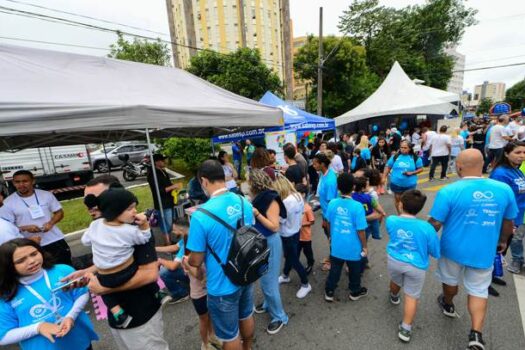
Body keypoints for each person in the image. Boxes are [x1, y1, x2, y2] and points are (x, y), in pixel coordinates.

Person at [428, 149, 517, 350]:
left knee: (450, 280)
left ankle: (448, 303)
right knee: (478, 290)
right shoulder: (503, 189)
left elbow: (435, 223)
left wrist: (424, 240)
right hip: (484, 249)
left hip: (452, 249)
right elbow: (508, 222)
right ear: (483, 164)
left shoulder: (449, 191)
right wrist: (503, 241)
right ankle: (476, 334)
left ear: (459, 167)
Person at [67, 175, 169, 350]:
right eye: (87, 202)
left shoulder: (134, 231)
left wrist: (104, 289)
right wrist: (87, 271)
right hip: (119, 318)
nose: (91, 208)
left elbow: (150, 274)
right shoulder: (100, 228)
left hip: (141, 316)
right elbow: (109, 261)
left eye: (95, 201)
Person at [187, 160, 255, 350]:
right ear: (223, 177)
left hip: (221, 284)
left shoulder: (201, 216)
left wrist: (188, 261)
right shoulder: (244, 202)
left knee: (229, 334)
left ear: (204, 181)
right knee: (246, 315)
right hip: (246, 273)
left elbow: (196, 259)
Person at [0, 238, 98, 349]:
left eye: (34, 254)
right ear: (7, 265)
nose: (31, 261)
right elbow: (3, 336)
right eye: (21, 261)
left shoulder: (63, 270)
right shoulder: (5, 293)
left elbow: (81, 293)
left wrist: (71, 316)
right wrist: (38, 327)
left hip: (79, 340)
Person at [81, 189, 157, 329]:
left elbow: (85, 241)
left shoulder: (94, 225)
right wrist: (145, 225)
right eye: (130, 208)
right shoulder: (129, 231)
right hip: (126, 272)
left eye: (135, 207)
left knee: (100, 287)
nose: (135, 211)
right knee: (138, 263)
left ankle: (118, 313)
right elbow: (144, 238)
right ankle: (157, 291)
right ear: (114, 210)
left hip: (105, 275)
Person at [386, 190, 440, 343]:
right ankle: (406, 328)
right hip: (416, 265)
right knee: (412, 296)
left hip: (395, 260)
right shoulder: (427, 228)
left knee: (395, 279)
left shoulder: (391, 220)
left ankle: (394, 296)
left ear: (401, 204)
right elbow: (435, 251)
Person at [158, 230, 221, 350]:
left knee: (211, 315)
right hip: (199, 294)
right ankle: (205, 344)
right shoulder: (186, 259)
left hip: (209, 291)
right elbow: (200, 277)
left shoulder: (204, 253)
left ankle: (212, 336)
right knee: (203, 319)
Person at [0, 170, 71, 265]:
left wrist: (51, 223)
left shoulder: (46, 195)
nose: (21, 184)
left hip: (54, 239)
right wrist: (25, 228)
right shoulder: (8, 203)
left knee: (65, 267)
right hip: (30, 245)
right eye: (17, 182)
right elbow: (7, 228)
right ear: (13, 183)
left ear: (33, 181)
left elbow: (59, 212)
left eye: (25, 181)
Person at [249, 169, 288, 335]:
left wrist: (256, 214)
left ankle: (280, 317)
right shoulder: (261, 196)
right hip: (261, 242)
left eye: (248, 181)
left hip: (270, 242)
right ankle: (267, 303)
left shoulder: (270, 198)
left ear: (254, 183)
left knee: (269, 282)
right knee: (264, 278)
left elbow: (274, 226)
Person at [324, 173, 368, 302]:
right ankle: (355, 291)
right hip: (353, 247)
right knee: (355, 270)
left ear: (338, 187)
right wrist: (364, 246)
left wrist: (330, 237)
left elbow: (327, 222)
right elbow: (361, 230)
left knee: (335, 269)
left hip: (336, 244)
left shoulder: (332, 203)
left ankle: (329, 291)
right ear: (353, 187)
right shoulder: (357, 206)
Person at [489, 141, 525, 277]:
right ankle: (486, 282)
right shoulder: (501, 174)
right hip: (505, 220)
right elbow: (498, 202)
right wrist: (508, 224)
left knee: (500, 252)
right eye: (517, 152)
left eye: (524, 152)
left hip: (516, 218)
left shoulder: (516, 170)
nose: (522, 156)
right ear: (506, 153)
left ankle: (492, 276)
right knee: (495, 250)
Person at [274, 175, 311, 299]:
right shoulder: (298, 196)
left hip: (287, 233)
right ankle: (285, 275)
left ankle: (306, 284)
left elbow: (280, 219)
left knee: (293, 259)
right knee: (289, 256)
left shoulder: (285, 202)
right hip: (295, 231)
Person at [147, 154, 182, 245]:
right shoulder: (152, 174)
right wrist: (173, 186)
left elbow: (168, 185)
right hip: (162, 202)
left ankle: (169, 240)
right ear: (156, 162)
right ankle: (167, 243)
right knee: (165, 224)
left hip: (169, 200)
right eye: (162, 160)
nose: (164, 162)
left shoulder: (163, 171)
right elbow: (159, 190)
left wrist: (174, 188)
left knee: (169, 222)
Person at [312, 153, 338, 271]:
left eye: (315, 163)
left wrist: (326, 219)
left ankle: (333, 260)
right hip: (325, 214)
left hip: (330, 216)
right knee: (330, 237)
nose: (313, 165)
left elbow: (331, 203)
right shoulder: (324, 173)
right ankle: (332, 256)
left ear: (322, 164)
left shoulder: (330, 181)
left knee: (332, 238)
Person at [383, 141, 423, 215]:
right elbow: (388, 167)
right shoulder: (395, 157)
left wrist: (411, 173)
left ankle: (408, 214)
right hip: (396, 184)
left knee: (409, 201)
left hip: (410, 185)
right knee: (398, 200)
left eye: (405, 148)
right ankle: (400, 215)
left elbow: (420, 169)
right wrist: (383, 177)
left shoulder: (415, 158)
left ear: (410, 149)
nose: (402, 149)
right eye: (401, 147)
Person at [296, 184, 315, 274]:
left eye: (297, 194)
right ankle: (294, 263)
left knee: (307, 252)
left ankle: (310, 263)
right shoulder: (295, 205)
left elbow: (312, 221)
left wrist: (302, 224)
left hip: (306, 236)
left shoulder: (307, 208)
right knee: (296, 251)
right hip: (296, 235)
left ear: (303, 194)